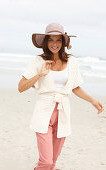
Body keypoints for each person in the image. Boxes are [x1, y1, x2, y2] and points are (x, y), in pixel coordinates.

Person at [18, 23, 104, 170]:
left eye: (58, 40)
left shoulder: (72, 61)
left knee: (53, 161)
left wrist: (92, 101)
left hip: (63, 112)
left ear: (63, 42)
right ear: (45, 42)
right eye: (51, 40)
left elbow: (75, 87)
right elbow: (21, 87)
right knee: (46, 162)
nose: (54, 44)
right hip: (44, 110)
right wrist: (40, 74)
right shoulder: (38, 61)